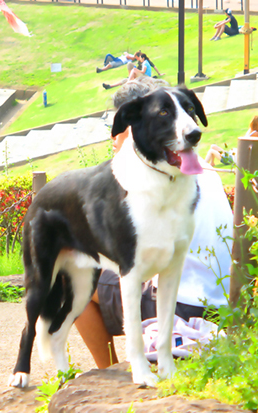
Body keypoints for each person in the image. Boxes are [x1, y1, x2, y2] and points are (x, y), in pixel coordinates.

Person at [75, 78, 233, 369]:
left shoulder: (148, 177)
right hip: (224, 302)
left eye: (118, 131)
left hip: (184, 304)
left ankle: (108, 369)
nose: (113, 141)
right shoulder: (201, 168)